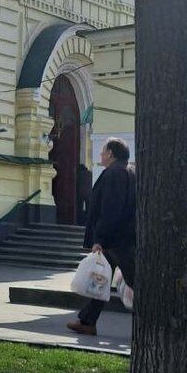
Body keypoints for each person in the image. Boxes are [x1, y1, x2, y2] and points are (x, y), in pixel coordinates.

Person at [68, 138, 135, 336]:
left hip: (115, 240)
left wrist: (100, 239)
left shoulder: (113, 173)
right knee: (101, 279)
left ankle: (160, 320)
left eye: (103, 152)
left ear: (111, 154)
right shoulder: (131, 172)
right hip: (124, 236)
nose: (101, 155)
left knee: (135, 280)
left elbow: (110, 209)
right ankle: (87, 321)